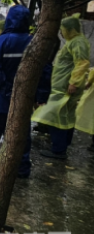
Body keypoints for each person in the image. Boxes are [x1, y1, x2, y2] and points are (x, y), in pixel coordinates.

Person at [0, 5, 34, 177]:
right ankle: (22, 168)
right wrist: (40, 94)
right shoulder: (33, 42)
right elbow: (44, 68)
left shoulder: (1, 41)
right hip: (23, 99)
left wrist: (5, 89)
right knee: (21, 134)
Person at [33, 14, 91, 159]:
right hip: (64, 85)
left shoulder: (78, 42)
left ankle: (58, 149)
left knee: (55, 116)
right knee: (65, 116)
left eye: (63, 29)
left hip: (65, 87)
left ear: (70, 29)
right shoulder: (75, 41)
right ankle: (63, 145)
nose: (61, 32)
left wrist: (74, 83)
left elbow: (82, 63)